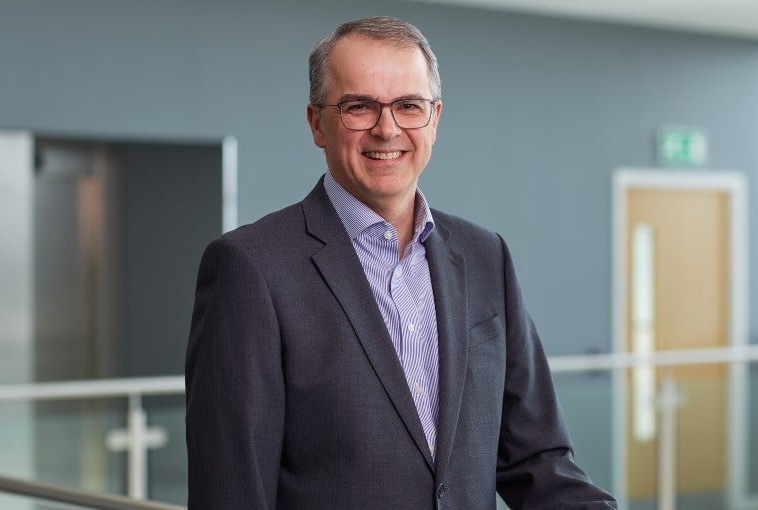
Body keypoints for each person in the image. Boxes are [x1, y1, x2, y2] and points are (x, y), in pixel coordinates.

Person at [185, 15, 617, 509]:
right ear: (316, 123)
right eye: (358, 107)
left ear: (434, 118)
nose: (386, 129)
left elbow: (537, 462)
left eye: (408, 106)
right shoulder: (250, 267)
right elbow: (232, 490)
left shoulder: (485, 256)